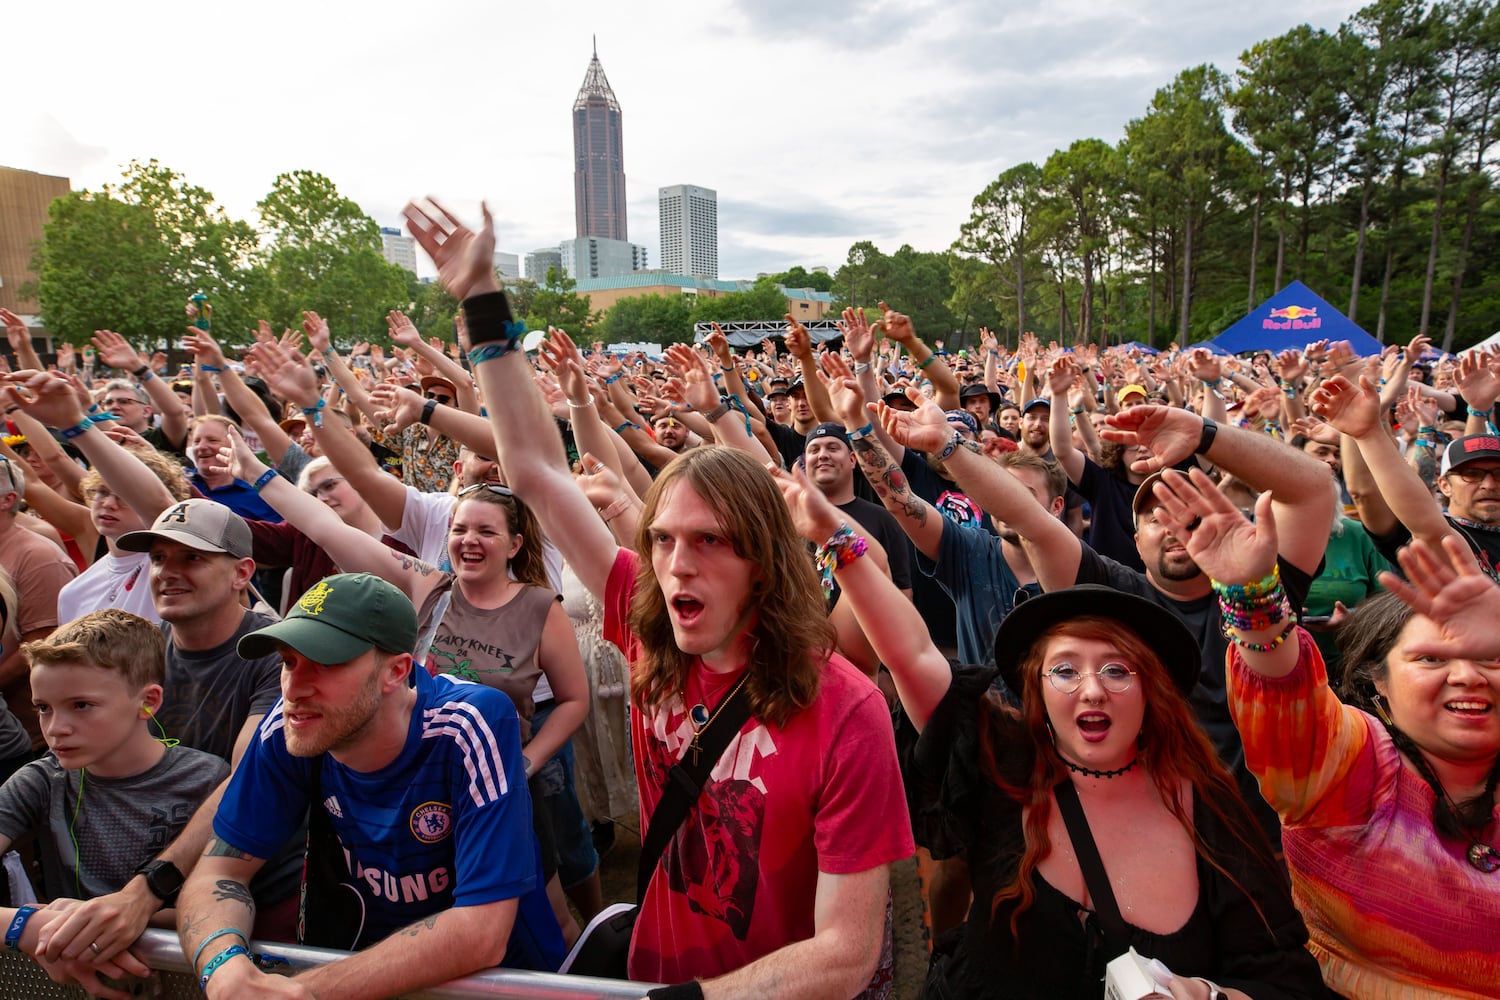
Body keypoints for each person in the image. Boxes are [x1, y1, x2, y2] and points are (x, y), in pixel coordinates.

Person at [406, 199, 913, 997]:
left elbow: (846, 953)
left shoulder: (846, 710)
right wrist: (482, 302)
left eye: (710, 541)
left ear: (765, 560)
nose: (677, 565)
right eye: (665, 540)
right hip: (656, 971)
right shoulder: (645, 626)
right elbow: (536, 471)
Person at [788, 443, 1322, 998]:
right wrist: (834, 535)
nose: (1092, 688)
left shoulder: (1211, 811)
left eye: (1117, 670)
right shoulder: (1005, 762)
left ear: (1151, 690)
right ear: (1037, 690)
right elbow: (912, 656)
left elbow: (1281, 978)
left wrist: (1205, 996)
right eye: (1065, 670)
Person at [1151, 472, 1500, 997]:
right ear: (1377, 683)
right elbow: (1283, 687)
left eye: (1491, 657)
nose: (1468, 676)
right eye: (1431, 658)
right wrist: (1253, 596)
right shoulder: (1352, 766)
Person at [177, 573, 565, 997]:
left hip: (492, 985)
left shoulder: (469, 723)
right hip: (363, 972)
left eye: (325, 663)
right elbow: (217, 872)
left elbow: (481, 931)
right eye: (288, 661)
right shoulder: (292, 724)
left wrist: (302, 993)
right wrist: (225, 968)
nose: (295, 688)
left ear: (396, 671)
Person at [0, 610, 227, 1000]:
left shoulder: (207, 781)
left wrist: (119, 923)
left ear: (148, 702)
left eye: (81, 705)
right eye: (43, 708)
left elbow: (233, 901)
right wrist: (25, 925)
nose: (56, 728)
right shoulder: (40, 781)